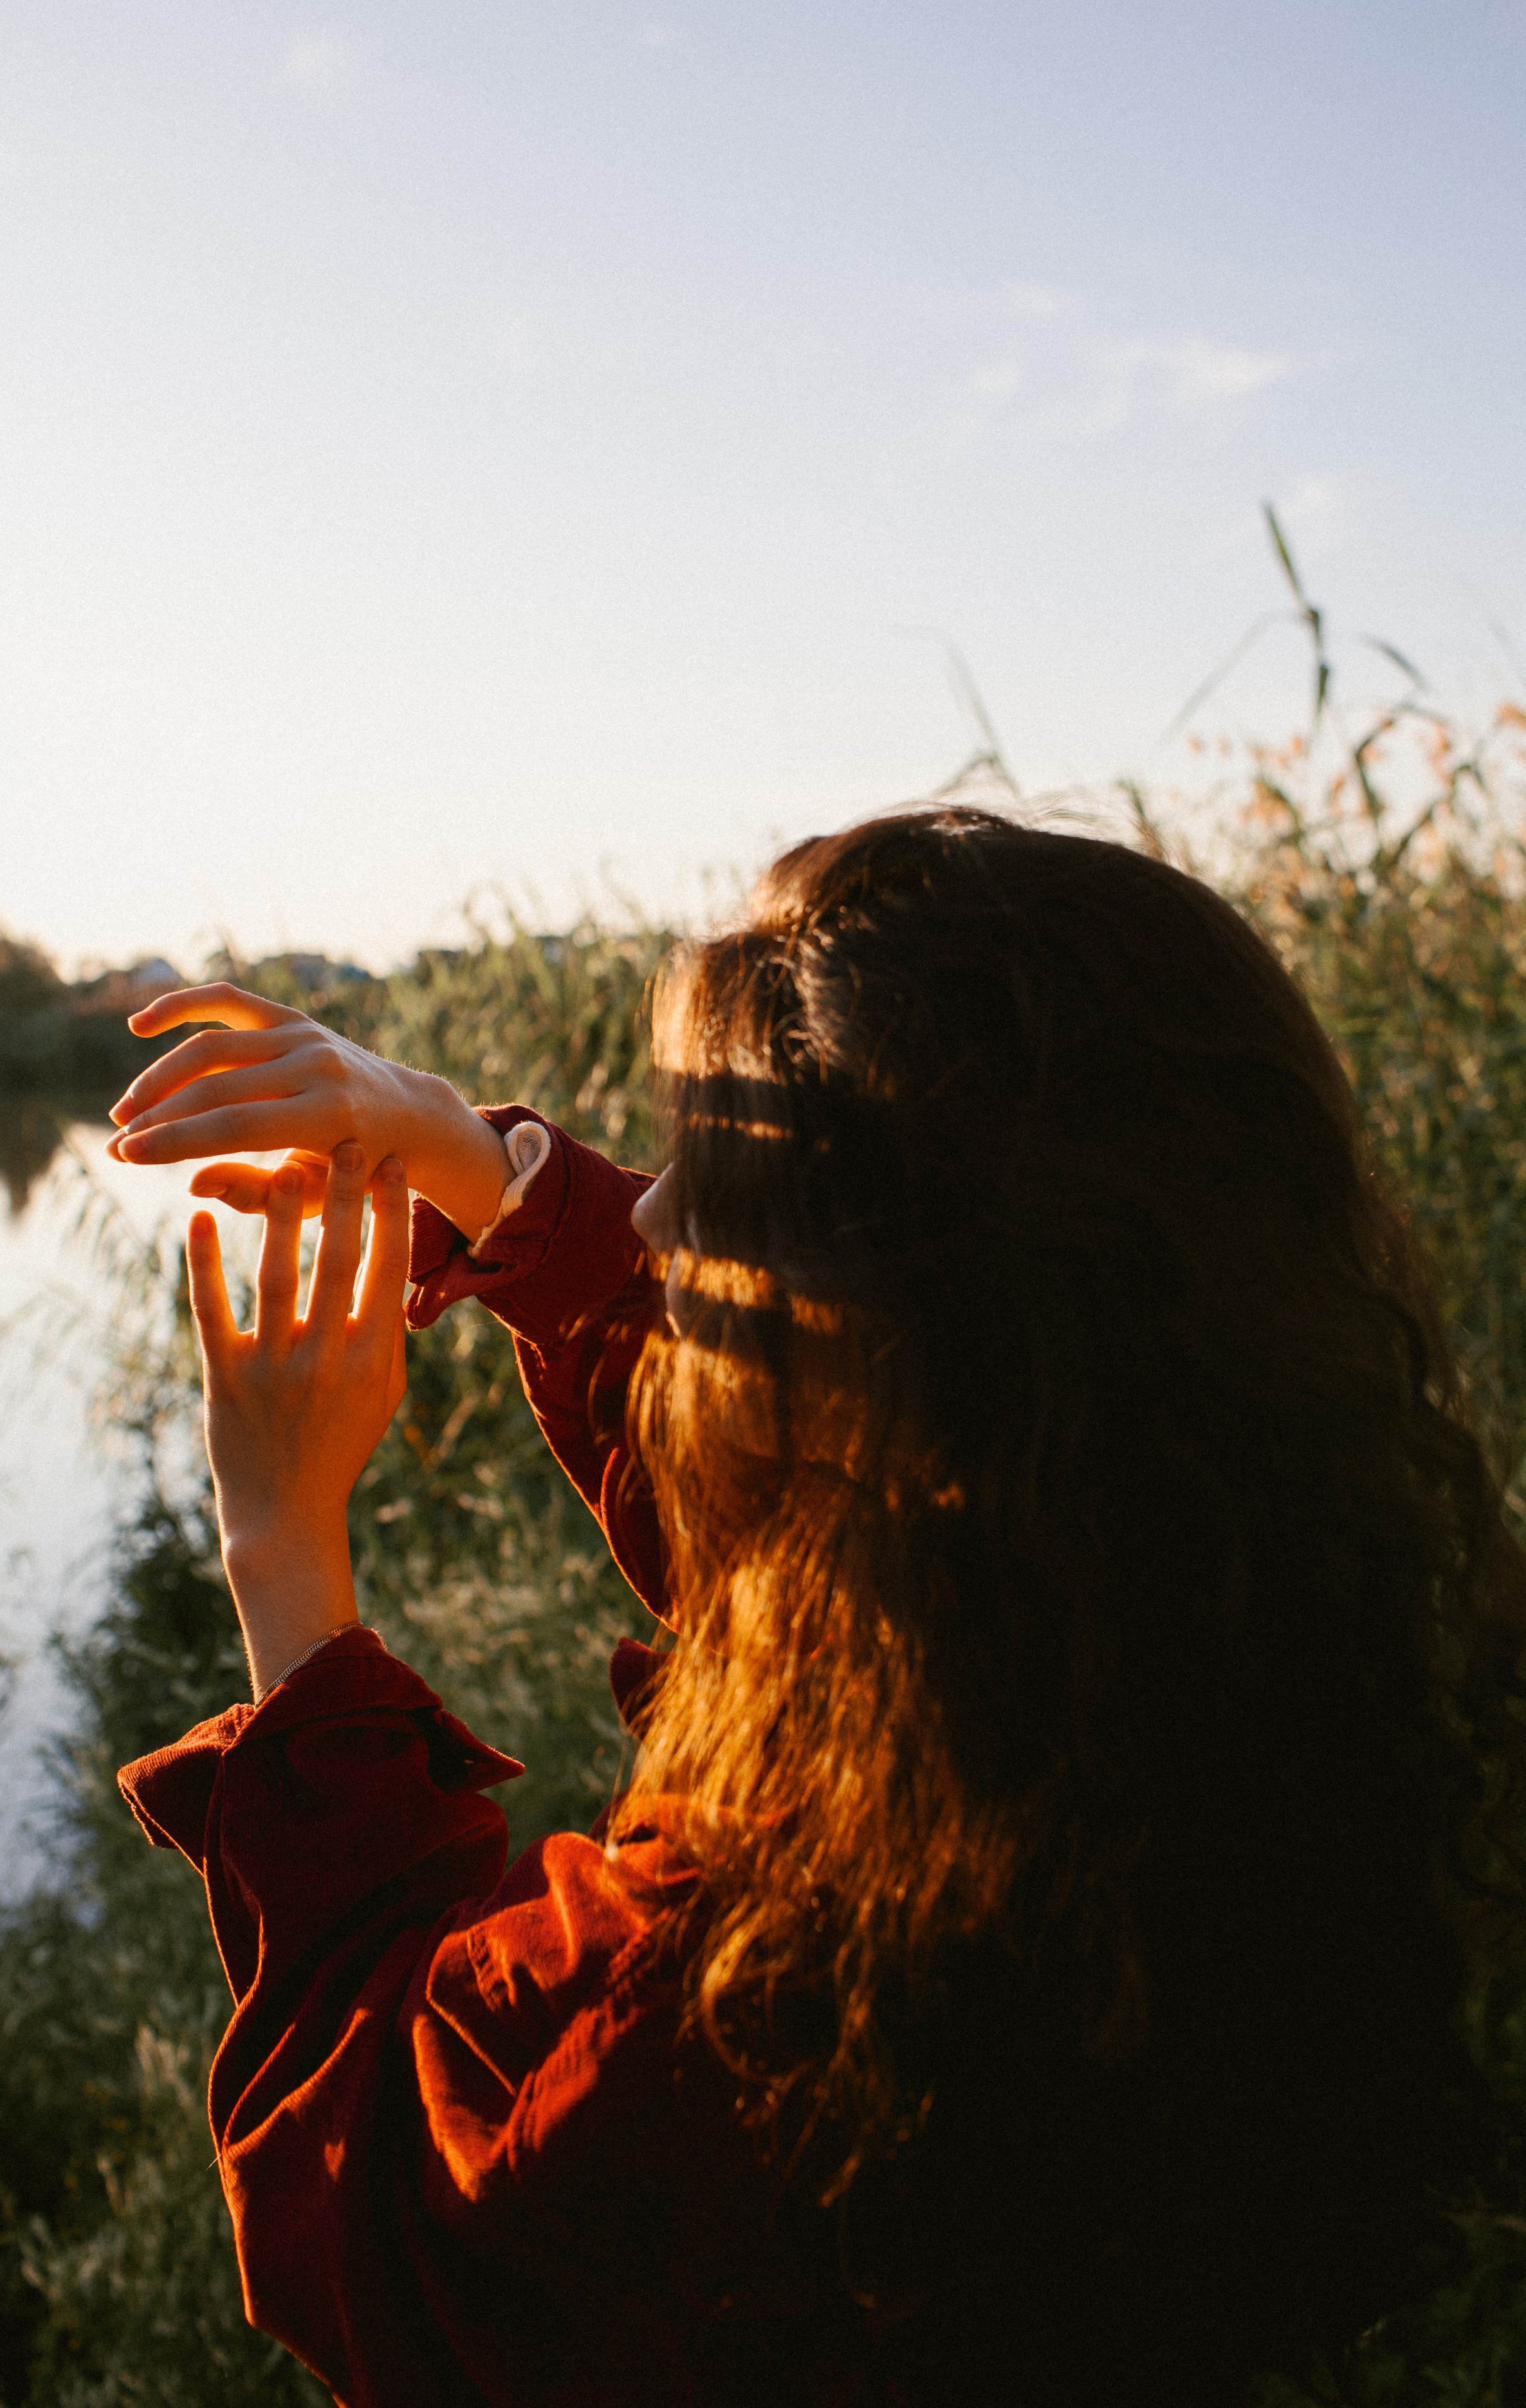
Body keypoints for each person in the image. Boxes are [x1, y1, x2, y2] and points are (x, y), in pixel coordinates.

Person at [108, 807, 1525, 2408]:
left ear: (891, 1320)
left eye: (720, 1181)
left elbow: (393, 2213)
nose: (651, 1217)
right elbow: (815, 1498)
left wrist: (281, 1549)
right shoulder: (1217, 1633)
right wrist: (473, 1165)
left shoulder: (753, 1978)